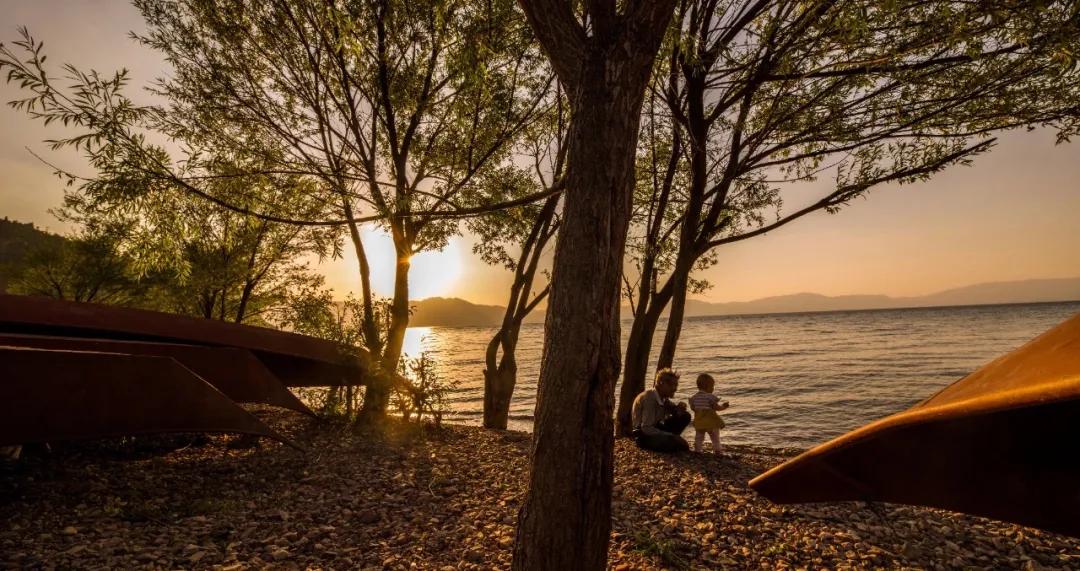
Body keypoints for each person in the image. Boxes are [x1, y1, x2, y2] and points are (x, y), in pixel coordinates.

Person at [630, 368, 691, 452]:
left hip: (655, 428)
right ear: (661, 383)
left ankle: (671, 440)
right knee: (675, 445)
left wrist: (679, 408)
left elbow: (675, 411)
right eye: (671, 385)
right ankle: (669, 441)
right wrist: (671, 435)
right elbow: (646, 428)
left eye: (676, 385)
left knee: (685, 416)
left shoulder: (663, 398)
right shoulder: (649, 398)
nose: (674, 388)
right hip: (643, 435)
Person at [689, 373, 729, 454]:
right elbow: (716, 407)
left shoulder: (694, 398)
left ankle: (698, 450)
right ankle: (717, 450)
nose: (713, 388)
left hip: (700, 421)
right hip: (711, 421)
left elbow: (693, 408)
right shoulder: (710, 397)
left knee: (699, 437)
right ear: (707, 386)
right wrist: (724, 406)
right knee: (715, 437)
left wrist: (700, 410)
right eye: (712, 386)